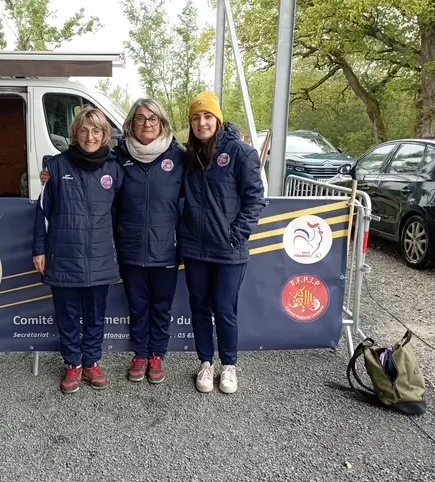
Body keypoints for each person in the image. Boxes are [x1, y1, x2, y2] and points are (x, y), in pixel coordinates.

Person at [41, 98, 185, 384]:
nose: (147, 124)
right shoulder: (117, 159)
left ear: (162, 122)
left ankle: (152, 356)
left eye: (153, 118)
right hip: (117, 249)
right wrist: (50, 174)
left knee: (157, 307)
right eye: (140, 118)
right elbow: (53, 208)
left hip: (158, 248)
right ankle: (131, 356)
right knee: (133, 307)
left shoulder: (176, 158)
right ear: (131, 123)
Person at [179, 91, 266, 395]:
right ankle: (205, 363)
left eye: (207, 116)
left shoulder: (241, 153)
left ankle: (229, 365)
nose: (201, 123)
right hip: (195, 249)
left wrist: (235, 235)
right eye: (195, 117)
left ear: (217, 119)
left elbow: (255, 199)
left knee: (224, 308)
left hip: (229, 250)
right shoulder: (188, 155)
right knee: (199, 307)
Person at [32, 106, 124, 394]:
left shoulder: (114, 169)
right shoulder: (57, 167)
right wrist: (39, 249)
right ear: (74, 134)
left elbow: (121, 214)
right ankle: (73, 363)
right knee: (68, 315)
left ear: (105, 134)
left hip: (100, 257)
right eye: (84, 130)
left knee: (95, 315)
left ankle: (92, 362)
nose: (90, 136)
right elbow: (43, 212)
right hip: (63, 256)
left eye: (96, 130)